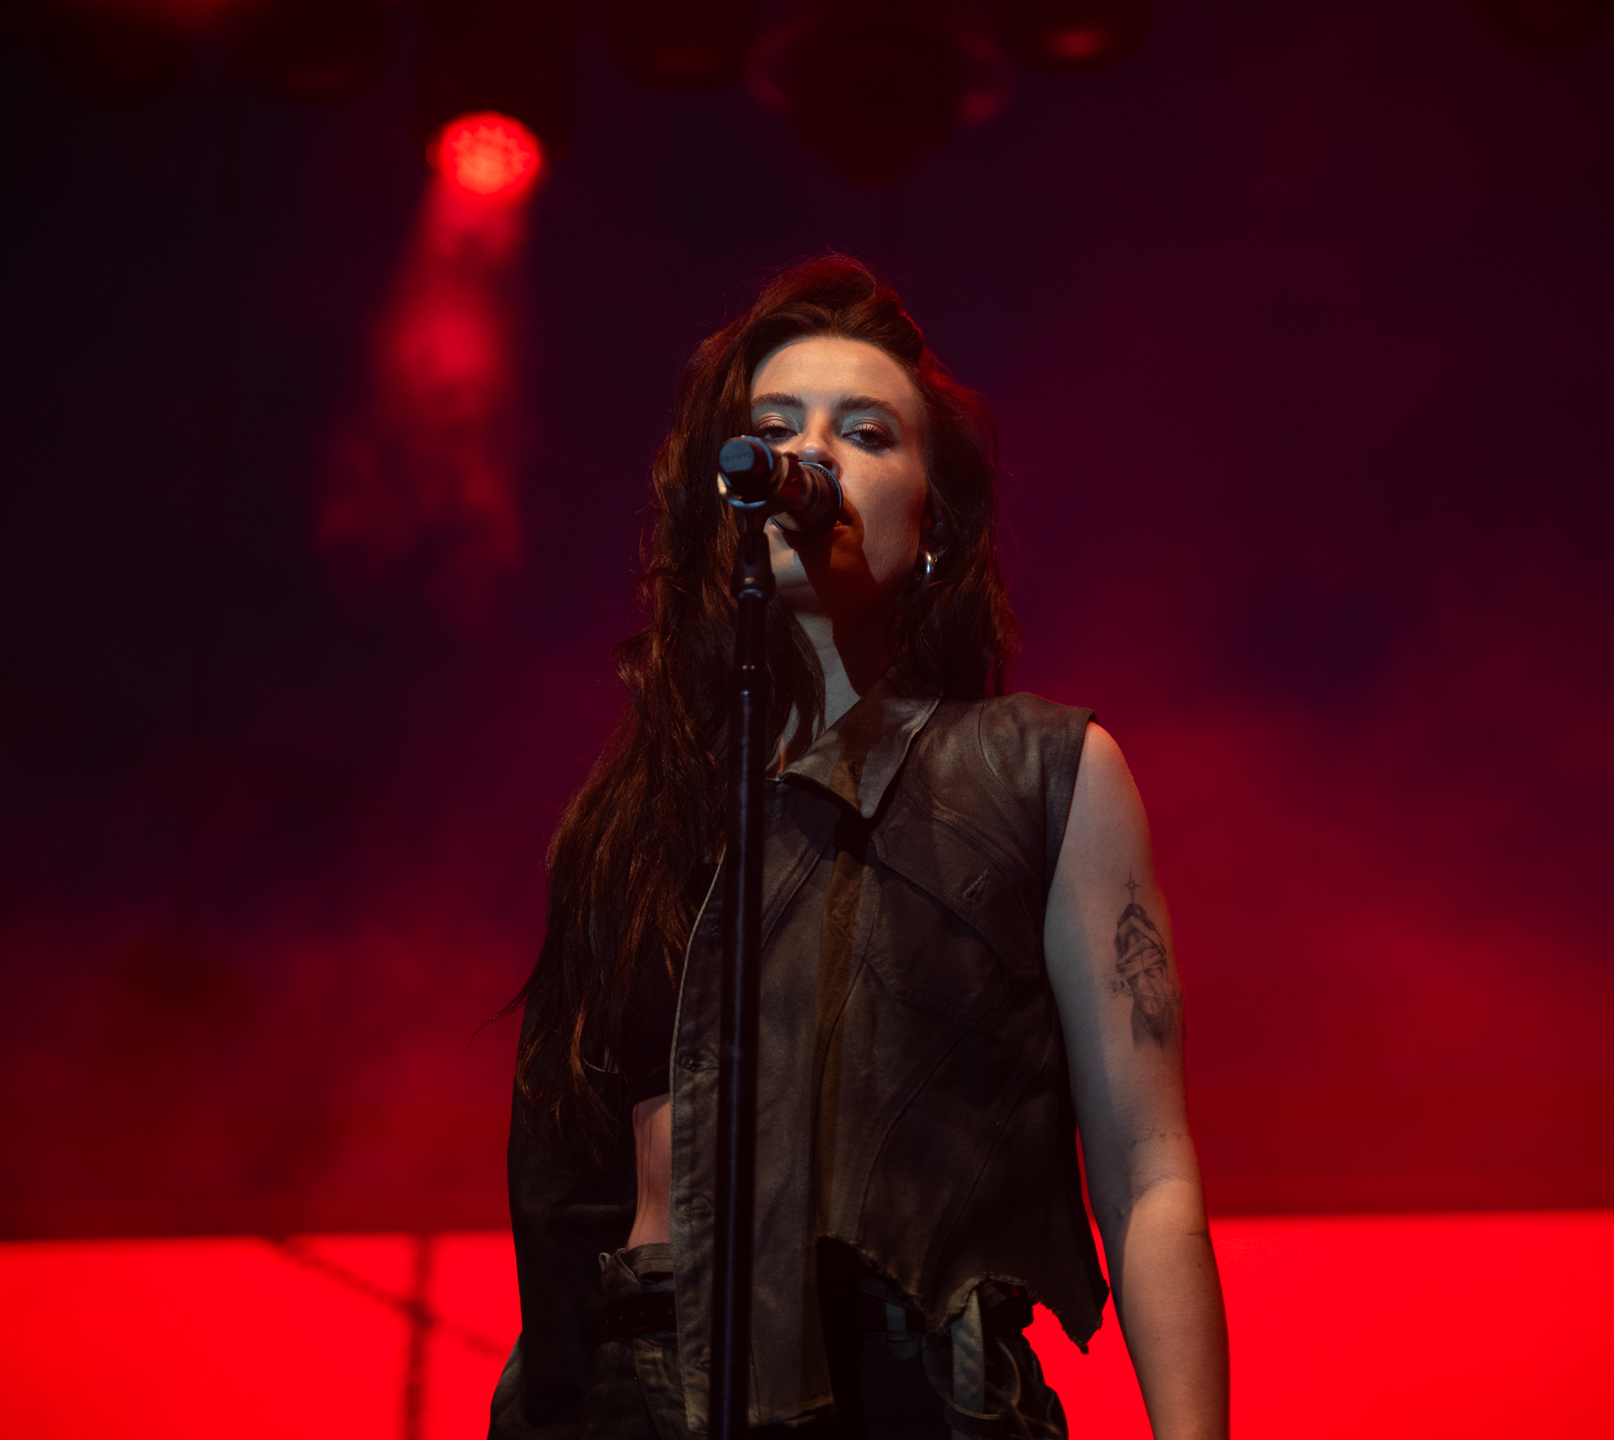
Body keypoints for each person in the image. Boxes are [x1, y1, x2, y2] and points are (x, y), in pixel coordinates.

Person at [490, 256, 1228, 1439]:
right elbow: (563, 1198)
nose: (812, 456)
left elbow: (1149, 1169)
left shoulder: (1042, 772)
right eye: (775, 428)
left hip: (917, 1390)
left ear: (933, 523)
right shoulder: (629, 819)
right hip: (645, 1384)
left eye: (867, 432)